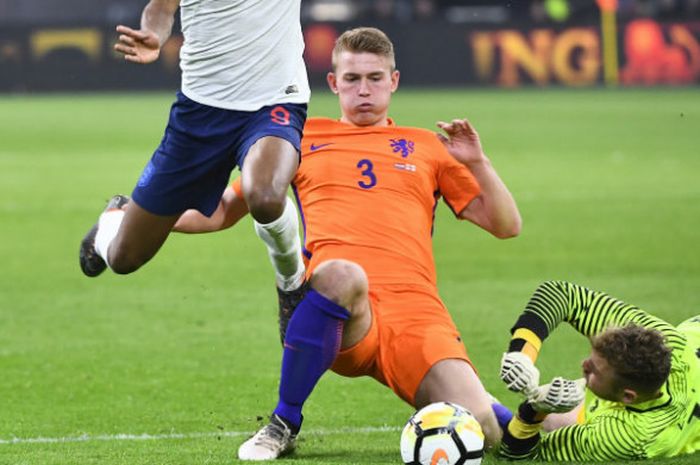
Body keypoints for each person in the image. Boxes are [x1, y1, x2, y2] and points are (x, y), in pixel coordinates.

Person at [174, 27, 522, 460]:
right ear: (333, 83)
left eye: (375, 78)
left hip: (418, 315)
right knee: (342, 272)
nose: (364, 90)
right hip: (344, 313)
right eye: (352, 79)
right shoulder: (297, 138)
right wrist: (142, 215)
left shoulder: (427, 146)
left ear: (393, 81)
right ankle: (284, 422)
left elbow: (506, 225)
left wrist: (479, 163)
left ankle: (503, 414)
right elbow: (222, 209)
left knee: (483, 431)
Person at [78, 0, 310, 301]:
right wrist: (153, 33)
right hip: (198, 115)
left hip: (275, 102)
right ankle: (115, 216)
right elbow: (160, 9)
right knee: (125, 258)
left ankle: (292, 286)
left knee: (265, 195)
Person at [498, 280, 700, 461]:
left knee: (557, 421)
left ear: (628, 396)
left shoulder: (624, 436)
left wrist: (534, 409)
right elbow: (560, 293)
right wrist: (522, 354)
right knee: (559, 419)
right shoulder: (665, 339)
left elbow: (520, 456)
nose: (583, 365)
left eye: (593, 371)